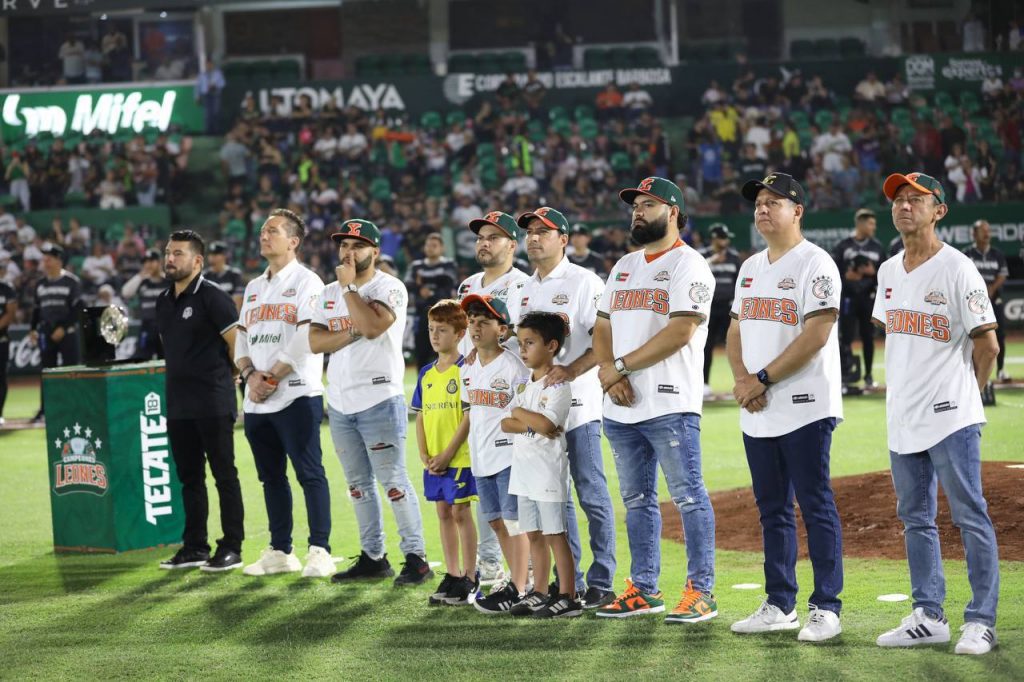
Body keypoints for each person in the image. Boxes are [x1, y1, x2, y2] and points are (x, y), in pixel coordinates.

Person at [873, 172, 1000, 655]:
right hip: (903, 416)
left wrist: (968, 395)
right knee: (916, 519)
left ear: (939, 211)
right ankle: (929, 615)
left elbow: (988, 344)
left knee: (970, 515)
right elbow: (897, 340)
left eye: (916, 199)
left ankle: (981, 621)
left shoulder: (959, 268)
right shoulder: (889, 271)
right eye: (898, 200)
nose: (904, 206)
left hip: (951, 417)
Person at [726, 172, 845, 643]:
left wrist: (760, 379)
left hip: (805, 405)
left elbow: (816, 335)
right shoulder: (750, 266)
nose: (762, 208)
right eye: (759, 202)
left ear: (798, 211)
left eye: (773, 201)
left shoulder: (817, 263)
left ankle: (826, 607)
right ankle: (780, 603)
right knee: (771, 508)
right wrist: (742, 380)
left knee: (815, 504)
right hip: (758, 407)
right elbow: (735, 328)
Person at [593, 177, 718, 623]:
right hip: (621, 405)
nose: (638, 212)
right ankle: (644, 589)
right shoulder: (624, 265)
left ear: (674, 212)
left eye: (648, 204)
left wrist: (619, 367)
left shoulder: (690, 265)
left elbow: (681, 330)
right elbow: (602, 327)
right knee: (637, 500)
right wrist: (609, 373)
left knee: (688, 497)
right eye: (635, 206)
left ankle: (701, 592)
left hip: (670, 402)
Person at [310, 219, 431, 586]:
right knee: (358, 486)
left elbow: (374, 327)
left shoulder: (389, 286)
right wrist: (351, 331)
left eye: (357, 246)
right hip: (340, 400)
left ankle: (417, 558)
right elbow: (315, 342)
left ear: (375, 252)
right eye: (344, 245)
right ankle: (373, 557)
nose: (348, 252)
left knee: (393, 482)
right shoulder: (328, 292)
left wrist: (349, 289)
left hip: (379, 398)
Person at [516, 206, 617, 609]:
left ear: (563, 239)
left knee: (590, 492)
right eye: (529, 232)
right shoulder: (524, 289)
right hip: (541, 411)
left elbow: (605, 338)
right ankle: (567, 584)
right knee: (555, 497)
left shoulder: (584, 282)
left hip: (579, 406)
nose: (533, 238)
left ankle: (602, 580)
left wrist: (572, 370)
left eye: (543, 231)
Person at [235, 208, 335, 578]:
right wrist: (250, 375)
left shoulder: (309, 282)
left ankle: (320, 550)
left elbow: (306, 337)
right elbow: (241, 338)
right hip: (257, 399)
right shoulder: (253, 287)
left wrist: (271, 377)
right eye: (263, 231)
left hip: (296, 393)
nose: (264, 236)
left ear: (293, 241)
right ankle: (280, 550)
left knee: (309, 473)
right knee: (271, 478)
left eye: (273, 231)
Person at [156, 230, 245, 572]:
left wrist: (232, 376)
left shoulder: (213, 296)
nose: (170, 258)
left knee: (224, 475)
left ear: (197, 261)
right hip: (179, 404)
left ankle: (232, 546)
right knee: (189, 478)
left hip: (212, 401)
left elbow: (236, 344)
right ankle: (195, 546)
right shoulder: (163, 301)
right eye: (168, 252)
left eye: (177, 253)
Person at [456, 210, 530, 585]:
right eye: (480, 238)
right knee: (495, 514)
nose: (484, 243)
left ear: (512, 245)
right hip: (481, 400)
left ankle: (526, 575)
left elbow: (529, 340)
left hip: (512, 399)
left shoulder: (524, 285)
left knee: (515, 514)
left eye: (493, 237)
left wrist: (498, 343)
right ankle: (498, 568)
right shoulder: (467, 285)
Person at [501, 312, 582, 618]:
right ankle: (540, 591)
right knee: (533, 533)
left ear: (551, 346)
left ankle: (569, 596)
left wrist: (522, 415)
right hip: (523, 471)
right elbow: (506, 423)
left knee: (554, 535)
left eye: (530, 343)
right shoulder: (524, 385)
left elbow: (548, 424)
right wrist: (529, 420)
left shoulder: (558, 386)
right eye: (520, 343)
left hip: (547, 472)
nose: (522, 350)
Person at [460, 294, 531, 614]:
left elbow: (526, 410)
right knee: (495, 521)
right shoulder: (467, 367)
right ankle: (515, 580)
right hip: (481, 456)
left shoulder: (514, 366)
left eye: (484, 322)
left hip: (508, 455)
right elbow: (470, 412)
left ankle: (520, 586)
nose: (475, 327)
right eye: (472, 321)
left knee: (514, 523)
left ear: (502, 330)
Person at [413, 300, 478, 606]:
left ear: (460, 333)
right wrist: (424, 454)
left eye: (442, 330)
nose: (435, 336)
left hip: (459, 456)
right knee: (442, 512)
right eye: (431, 329)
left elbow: (468, 417)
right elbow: (421, 416)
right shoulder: (426, 373)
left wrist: (448, 453)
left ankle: (470, 576)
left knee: (460, 512)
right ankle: (452, 574)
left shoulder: (466, 370)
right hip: (435, 459)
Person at [832, 208, 886, 388]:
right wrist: (845, 276)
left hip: (868, 298)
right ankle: (844, 376)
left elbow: (885, 275)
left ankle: (869, 376)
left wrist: (873, 273)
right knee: (845, 338)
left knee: (868, 337)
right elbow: (833, 272)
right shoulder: (843, 246)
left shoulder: (877, 246)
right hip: (848, 298)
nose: (873, 227)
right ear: (860, 224)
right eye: (870, 224)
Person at [30, 243, 81, 423]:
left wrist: (63, 328)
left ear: (59, 260)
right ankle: (45, 410)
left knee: (71, 371)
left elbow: (77, 309)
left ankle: (73, 409)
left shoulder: (71, 281)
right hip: (46, 331)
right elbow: (37, 310)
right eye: (44, 260)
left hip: (67, 333)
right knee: (46, 372)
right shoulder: (40, 284)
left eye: (49, 259)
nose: (45, 263)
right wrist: (32, 329)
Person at [963, 220, 1009, 382]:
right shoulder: (967, 254)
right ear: (974, 234)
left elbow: (1002, 274)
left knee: (1000, 335)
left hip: (994, 300)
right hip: (973, 304)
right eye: (983, 231)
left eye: (988, 231)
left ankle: (1001, 370)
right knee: (972, 337)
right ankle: (975, 371)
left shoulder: (997, 254)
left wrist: (992, 288)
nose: (987, 234)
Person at [406, 232, 459, 371]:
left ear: (442, 248)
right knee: (421, 353)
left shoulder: (448, 264)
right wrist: (422, 288)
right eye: (428, 245)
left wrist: (426, 290)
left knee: (444, 352)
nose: (430, 248)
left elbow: (448, 286)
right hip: (422, 316)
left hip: (444, 316)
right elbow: (408, 285)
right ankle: (422, 382)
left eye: (434, 245)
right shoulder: (416, 265)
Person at [701, 223, 741, 396]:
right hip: (709, 308)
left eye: (726, 238)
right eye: (722, 238)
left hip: (728, 308)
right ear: (714, 239)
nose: (725, 241)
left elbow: (739, 281)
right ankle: (704, 384)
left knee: (736, 344)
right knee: (706, 345)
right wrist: (711, 261)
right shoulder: (702, 255)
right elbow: (694, 272)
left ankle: (741, 381)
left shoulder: (733, 256)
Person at [120, 249, 167, 361]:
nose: (148, 265)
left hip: (166, 327)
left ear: (160, 262)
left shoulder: (169, 281)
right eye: (145, 262)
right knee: (142, 358)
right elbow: (125, 292)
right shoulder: (142, 281)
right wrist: (140, 276)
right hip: (147, 326)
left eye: (151, 261)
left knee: (168, 359)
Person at [203, 241, 245, 311]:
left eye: (216, 254)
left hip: (230, 313)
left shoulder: (234, 274)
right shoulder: (204, 276)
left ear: (224, 256)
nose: (212, 257)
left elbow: (238, 299)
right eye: (210, 254)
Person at [195, 58, 226, 134]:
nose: (208, 66)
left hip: (215, 94)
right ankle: (208, 130)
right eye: (207, 65)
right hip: (206, 95)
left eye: (210, 64)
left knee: (216, 112)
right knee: (207, 113)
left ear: (212, 65)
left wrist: (215, 86)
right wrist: (197, 96)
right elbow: (198, 86)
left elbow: (223, 84)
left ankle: (216, 130)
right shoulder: (202, 75)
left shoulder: (218, 73)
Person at [0, 279, 15, 428]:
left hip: (1, 339)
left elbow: (11, 312)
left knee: (1, 377)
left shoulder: (6, 288)